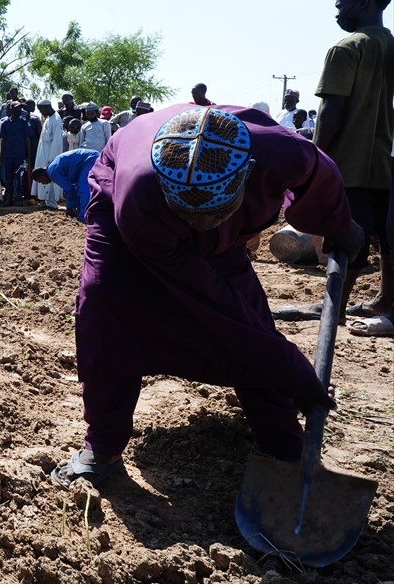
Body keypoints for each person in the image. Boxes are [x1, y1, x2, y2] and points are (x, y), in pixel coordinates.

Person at [50, 105, 363, 490]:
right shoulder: (138, 202)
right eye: (191, 216)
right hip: (134, 204)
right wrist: (294, 371)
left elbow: (321, 177)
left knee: (249, 313)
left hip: (221, 217)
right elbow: (211, 302)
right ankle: (103, 445)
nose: (198, 228)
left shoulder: (283, 153)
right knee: (107, 303)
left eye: (209, 216)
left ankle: (284, 445)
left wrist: (336, 224)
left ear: (246, 176)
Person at [275, 0, 394, 324]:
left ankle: (333, 309)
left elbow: (332, 111)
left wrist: (313, 159)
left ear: (363, 3)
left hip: (350, 164)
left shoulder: (347, 48)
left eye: (341, 6)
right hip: (385, 164)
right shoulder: (390, 46)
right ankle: (386, 300)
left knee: (345, 238)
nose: (337, 14)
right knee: (387, 240)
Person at [32, 148, 100, 222]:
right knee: (80, 188)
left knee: (83, 188)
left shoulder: (52, 172)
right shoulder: (52, 167)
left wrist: (69, 207)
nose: (43, 184)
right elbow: (68, 187)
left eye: (41, 181)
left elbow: (69, 189)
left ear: (42, 175)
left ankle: (84, 217)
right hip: (87, 160)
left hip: (89, 159)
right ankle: (83, 213)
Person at [33, 100, 65, 210]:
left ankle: (52, 203)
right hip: (43, 153)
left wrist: (51, 158)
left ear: (47, 107)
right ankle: (47, 201)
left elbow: (57, 142)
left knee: (50, 177)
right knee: (45, 178)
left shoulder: (56, 119)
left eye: (41, 109)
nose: (40, 112)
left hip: (50, 155)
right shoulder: (48, 119)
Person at [0, 102, 30, 206]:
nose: (19, 110)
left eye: (20, 108)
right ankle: (8, 199)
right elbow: (3, 140)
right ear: (11, 109)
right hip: (8, 155)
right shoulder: (5, 123)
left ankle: (18, 199)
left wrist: (28, 157)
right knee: (8, 178)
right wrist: (1, 156)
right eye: (17, 108)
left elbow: (27, 140)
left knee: (19, 177)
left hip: (20, 155)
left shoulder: (24, 122)